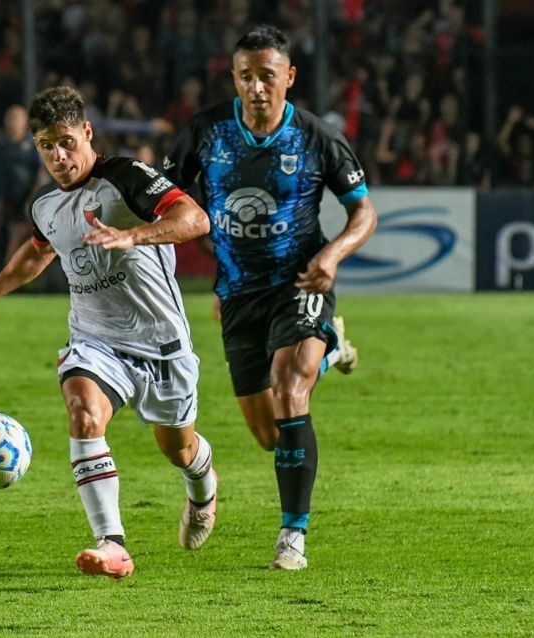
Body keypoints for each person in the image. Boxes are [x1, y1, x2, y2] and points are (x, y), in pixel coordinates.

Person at [0, 85, 219, 580]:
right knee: (83, 413)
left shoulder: (127, 177)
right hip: (95, 340)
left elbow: (194, 219)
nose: (58, 155)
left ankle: (203, 488)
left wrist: (131, 235)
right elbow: (38, 250)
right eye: (46, 145)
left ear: (88, 132)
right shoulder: (45, 205)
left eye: (66, 141)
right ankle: (112, 544)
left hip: (160, 343)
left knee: (178, 448)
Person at [162, 24, 377, 570]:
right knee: (268, 434)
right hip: (238, 294)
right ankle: (332, 350)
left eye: (267, 76)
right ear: (234, 78)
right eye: (245, 77)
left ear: (290, 77)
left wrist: (332, 256)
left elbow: (363, 211)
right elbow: (162, 197)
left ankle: (292, 536)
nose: (256, 87)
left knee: (288, 391)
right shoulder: (205, 132)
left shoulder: (317, 137)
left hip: (299, 282)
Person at [0, 104, 45, 274]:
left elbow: (41, 174)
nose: (12, 121)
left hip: (23, 198)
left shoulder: (33, 145)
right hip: (0, 198)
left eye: (16, 117)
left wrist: (32, 198)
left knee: (17, 238)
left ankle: (14, 273)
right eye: (10, 117)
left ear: (25, 122)